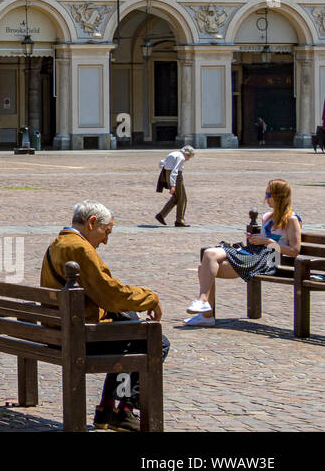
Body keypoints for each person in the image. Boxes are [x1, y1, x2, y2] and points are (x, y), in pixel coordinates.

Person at [40, 200, 168, 431]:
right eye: (105, 232)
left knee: (130, 325)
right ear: (91, 223)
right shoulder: (79, 248)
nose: (106, 240)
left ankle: (108, 408)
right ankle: (123, 410)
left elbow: (100, 293)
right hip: (77, 336)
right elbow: (111, 294)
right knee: (154, 342)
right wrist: (151, 298)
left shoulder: (58, 243)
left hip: (58, 330)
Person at [185, 179, 302, 326]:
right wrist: (255, 240)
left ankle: (206, 315)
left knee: (204, 269)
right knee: (209, 254)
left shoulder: (291, 220)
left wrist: (267, 242)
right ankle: (203, 303)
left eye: (268, 194)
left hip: (270, 260)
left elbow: (295, 250)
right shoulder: (267, 217)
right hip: (255, 253)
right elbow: (263, 241)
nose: (266, 198)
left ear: (279, 196)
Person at [155, 145, 195, 227]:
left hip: (166, 173)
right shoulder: (181, 157)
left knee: (176, 197)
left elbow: (161, 163)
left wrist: (166, 170)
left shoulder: (174, 153)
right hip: (176, 177)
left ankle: (161, 215)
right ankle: (179, 220)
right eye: (189, 157)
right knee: (182, 198)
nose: (188, 159)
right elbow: (175, 171)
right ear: (187, 154)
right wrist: (173, 185)